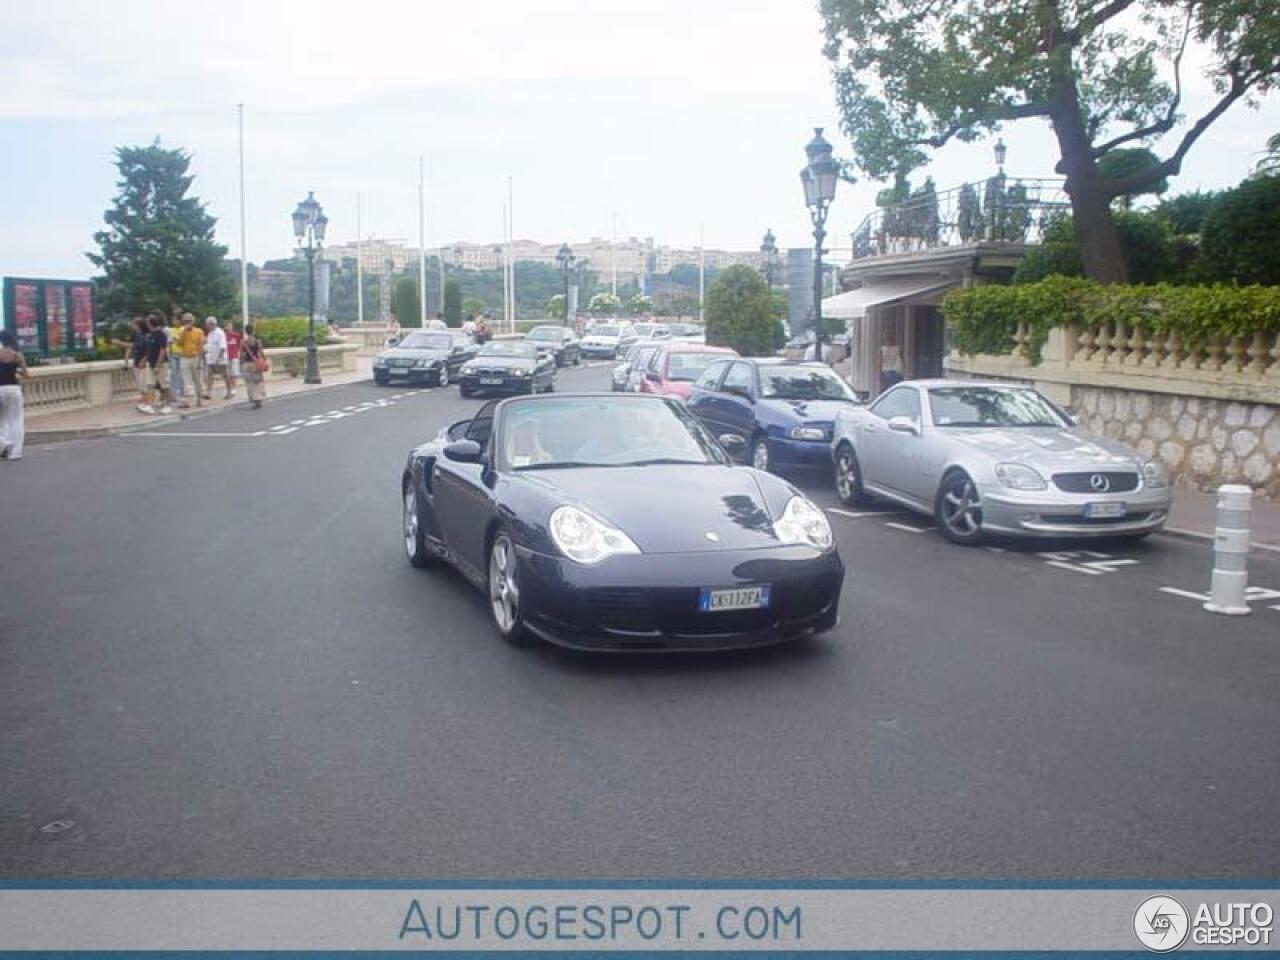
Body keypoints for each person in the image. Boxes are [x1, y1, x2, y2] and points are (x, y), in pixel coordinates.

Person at [0, 331, 29, 461]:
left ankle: (4, 443)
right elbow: (26, 375)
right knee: (17, 420)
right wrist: (16, 370)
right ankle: (15, 452)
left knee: (3, 420)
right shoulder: (17, 355)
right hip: (14, 388)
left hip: (0, 389)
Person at [113, 317, 152, 413]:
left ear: (138, 325)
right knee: (139, 384)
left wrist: (119, 343)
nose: (132, 325)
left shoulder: (145, 336)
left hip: (142, 363)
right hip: (136, 362)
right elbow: (133, 347)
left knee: (143, 384)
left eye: (133, 324)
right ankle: (144, 401)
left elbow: (141, 348)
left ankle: (148, 403)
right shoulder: (138, 335)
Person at [143, 313, 173, 414]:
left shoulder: (161, 335)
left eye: (147, 322)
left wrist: (157, 365)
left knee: (164, 385)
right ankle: (150, 405)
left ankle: (168, 405)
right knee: (150, 384)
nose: (146, 324)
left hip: (161, 364)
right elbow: (149, 350)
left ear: (151, 323)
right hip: (150, 364)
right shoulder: (151, 335)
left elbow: (162, 350)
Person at [174, 312, 205, 407]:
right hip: (184, 357)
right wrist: (184, 332)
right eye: (186, 321)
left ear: (193, 321)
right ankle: (187, 402)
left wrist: (200, 360)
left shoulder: (199, 331)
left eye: (190, 320)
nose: (188, 322)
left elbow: (201, 346)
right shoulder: (182, 331)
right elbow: (179, 343)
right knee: (185, 380)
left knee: (198, 380)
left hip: (195, 358)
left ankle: (199, 400)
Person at [240, 322, 268, 409]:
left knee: (249, 382)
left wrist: (241, 364)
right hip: (255, 364)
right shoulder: (257, 341)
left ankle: (253, 398)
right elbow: (261, 353)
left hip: (247, 364)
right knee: (258, 381)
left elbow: (242, 355)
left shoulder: (243, 342)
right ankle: (258, 399)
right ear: (253, 331)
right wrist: (264, 360)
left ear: (246, 331)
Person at [203, 316, 230, 399]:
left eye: (207, 324)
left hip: (220, 360)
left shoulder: (220, 333)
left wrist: (219, 358)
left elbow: (223, 347)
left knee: (225, 376)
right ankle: (208, 392)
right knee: (209, 376)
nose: (206, 326)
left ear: (212, 324)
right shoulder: (210, 333)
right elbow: (209, 345)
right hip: (211, 359)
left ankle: (229, 391)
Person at [225, 322, 243, 397]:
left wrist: (238, 352)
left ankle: (234, 388)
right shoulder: (224, 336)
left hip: (234, 357)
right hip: (226, 357)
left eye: (230, 326)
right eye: (227, 326)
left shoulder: (236, 335)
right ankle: (229, 389)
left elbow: (240, 344)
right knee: (227, 374)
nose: (229, 327)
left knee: (234, 374)